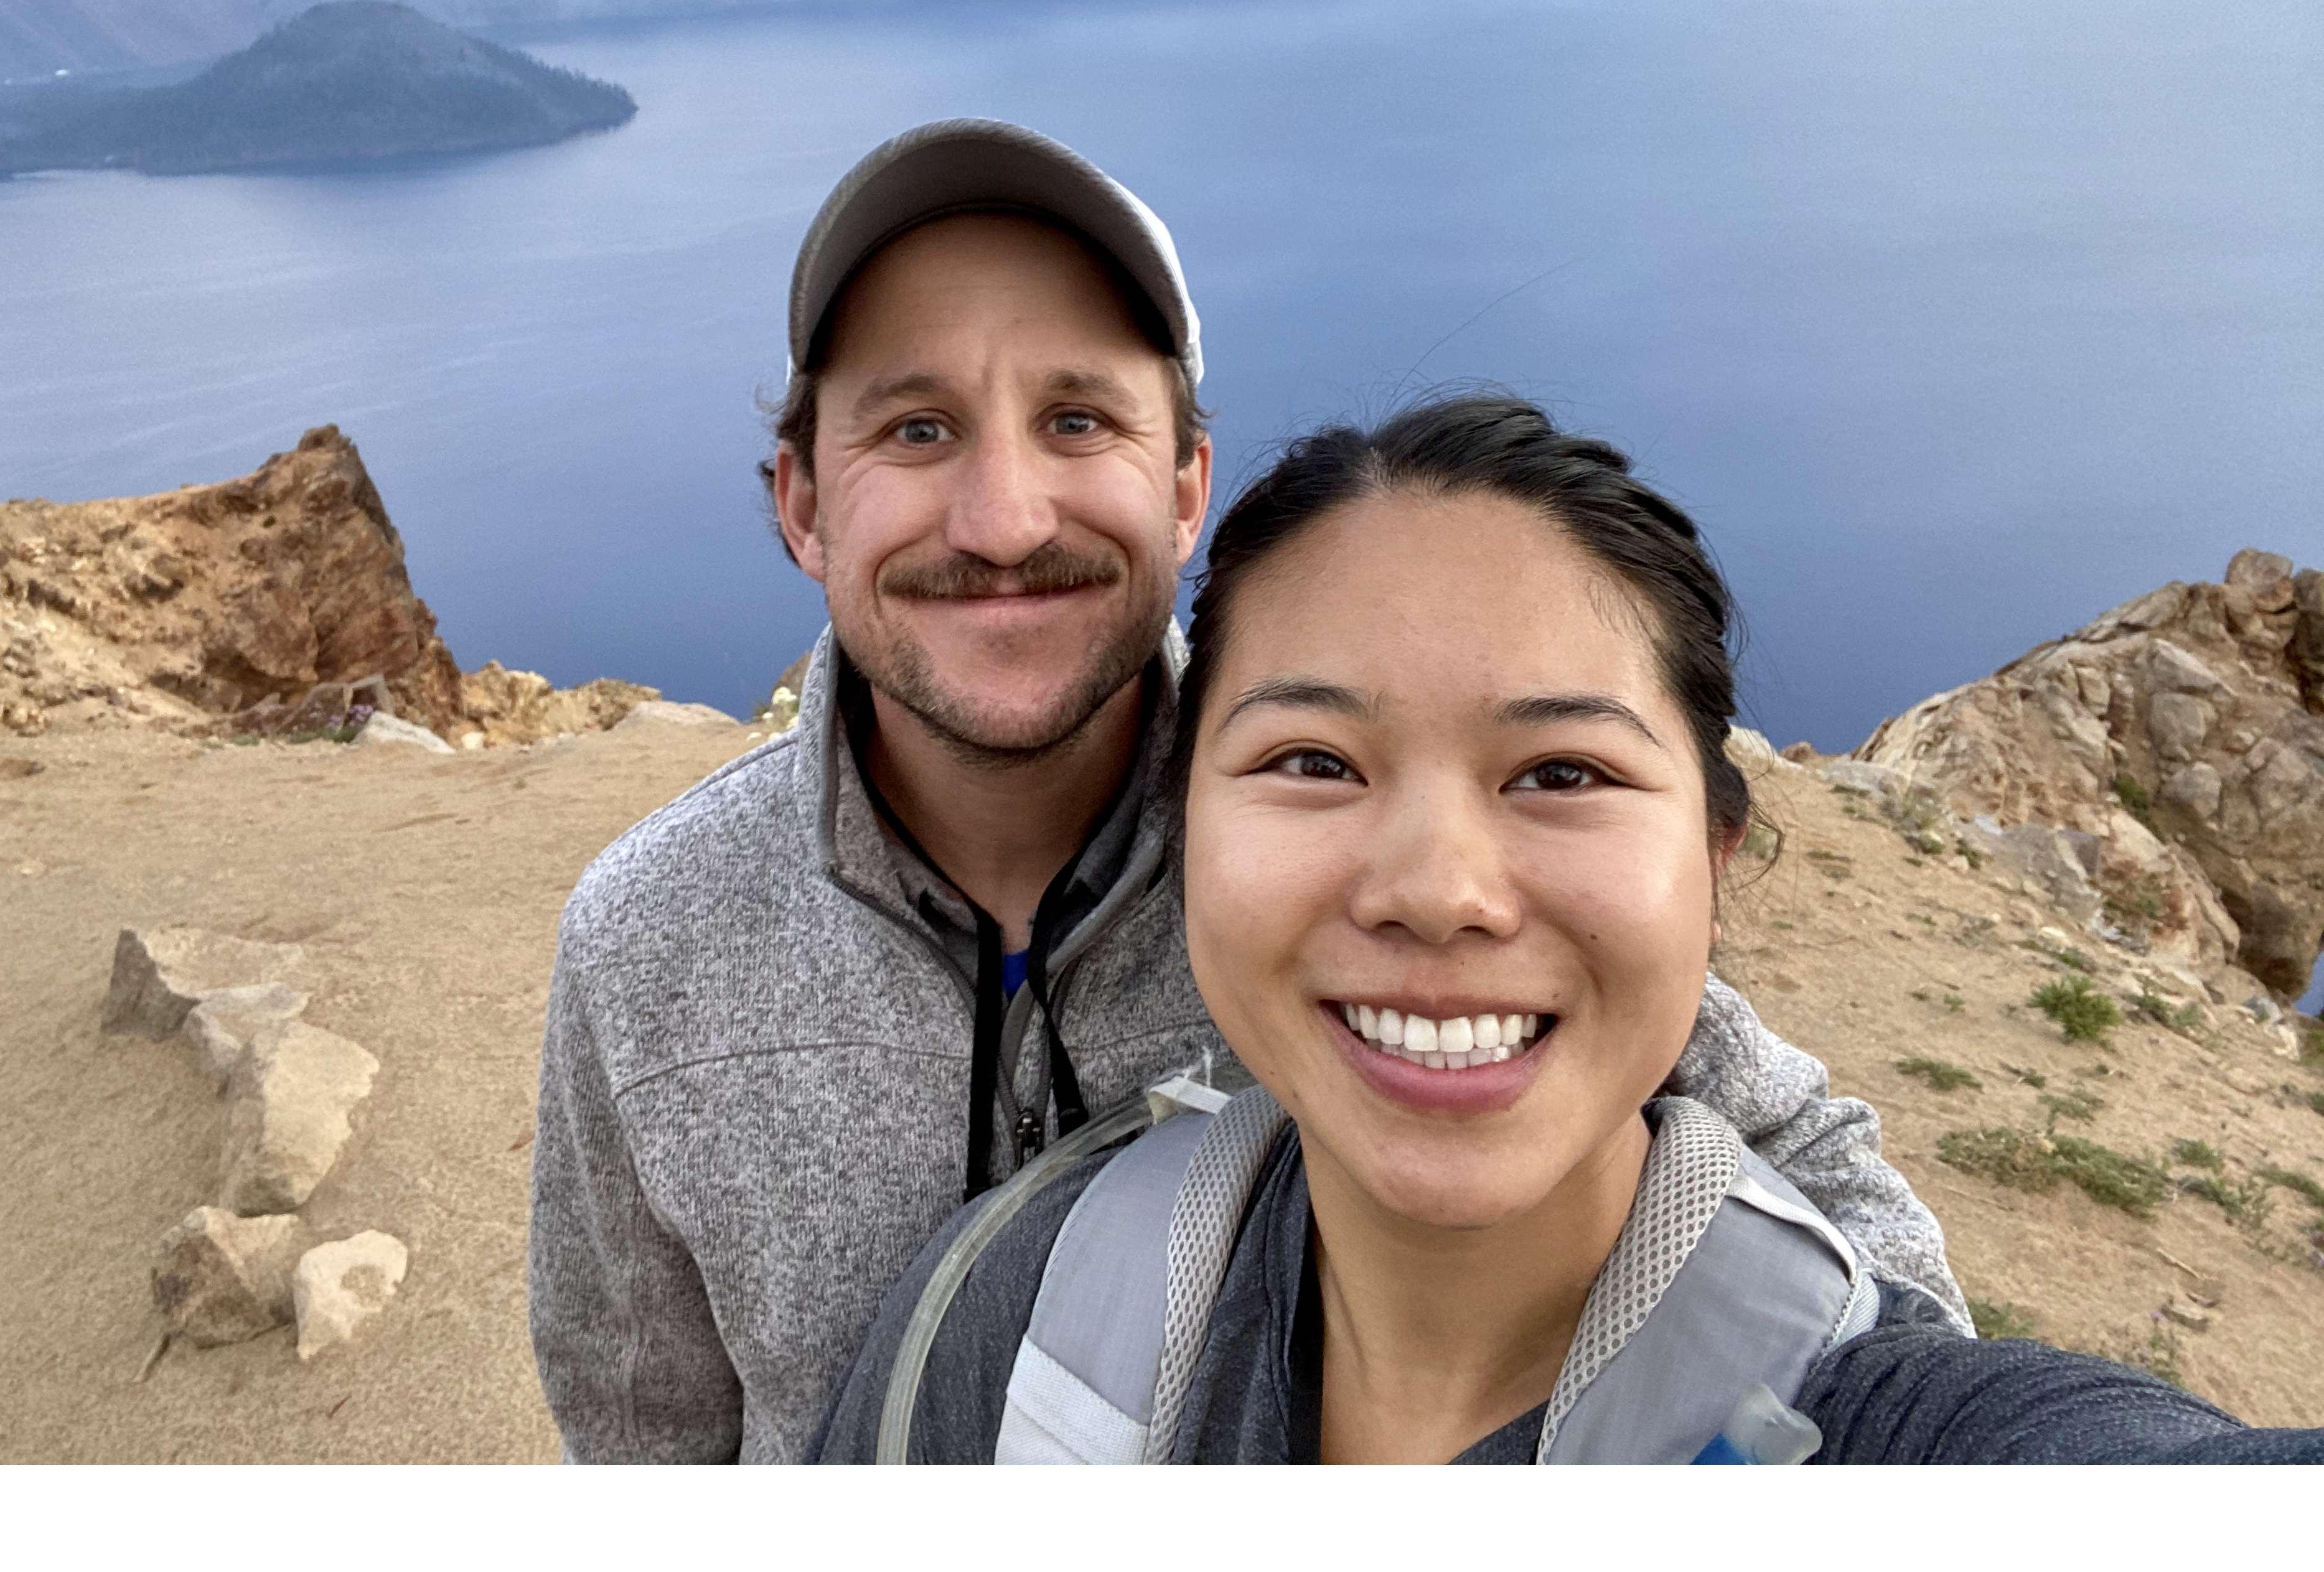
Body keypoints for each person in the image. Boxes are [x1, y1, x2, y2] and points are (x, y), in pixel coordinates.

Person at [530, 124, 1966, 1464]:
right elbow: (651, 1444)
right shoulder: (651, 939)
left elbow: (1740, 1129)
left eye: (1081, 419)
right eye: (915, 429)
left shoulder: (1315, 853)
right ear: (800, 503)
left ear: (1184, 487)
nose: (1006, 519)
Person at [814, 395, 2324, 1463]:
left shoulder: (1872, 1430)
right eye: (1313, 764)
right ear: (1185, 829)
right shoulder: (996, 1309)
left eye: (1563, 773)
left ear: (1714, 862)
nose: (1437, 887)